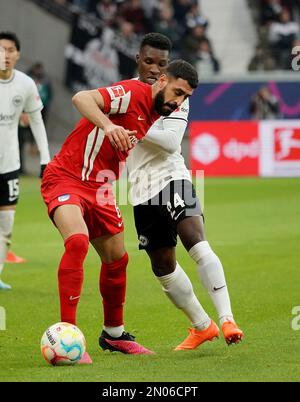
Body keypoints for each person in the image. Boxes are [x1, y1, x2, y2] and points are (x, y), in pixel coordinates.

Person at [41, 59, 198, 362]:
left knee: (117, 260)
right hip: (67, 177)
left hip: (101, 187)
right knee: (76, 242)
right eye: (177, 92)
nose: (179, 101)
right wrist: (109, 124)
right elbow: (81, 98)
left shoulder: (157, 112)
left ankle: (114, 334)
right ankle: (67, 335)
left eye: (185, 97)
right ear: (162, 80)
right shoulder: (133, 91)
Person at [127, 32, 244, 350]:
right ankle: (202, 326)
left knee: (197, 242)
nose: (155, 69)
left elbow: (169, 142)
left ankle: (227, 318)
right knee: (163, 266)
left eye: (162, 64)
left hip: (172, 179)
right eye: (149, 61)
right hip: (140, 191)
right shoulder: (124, 92)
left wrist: (130, 124)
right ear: (139, 58)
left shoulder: (178, 94)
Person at [0, 32, 50, 290]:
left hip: (8, 166)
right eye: (0, 50)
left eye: (9, 50)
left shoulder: (26, 84)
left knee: (6, 224)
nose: (4, 55)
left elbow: (37, 121)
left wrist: (45, 158)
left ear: (17, 54)